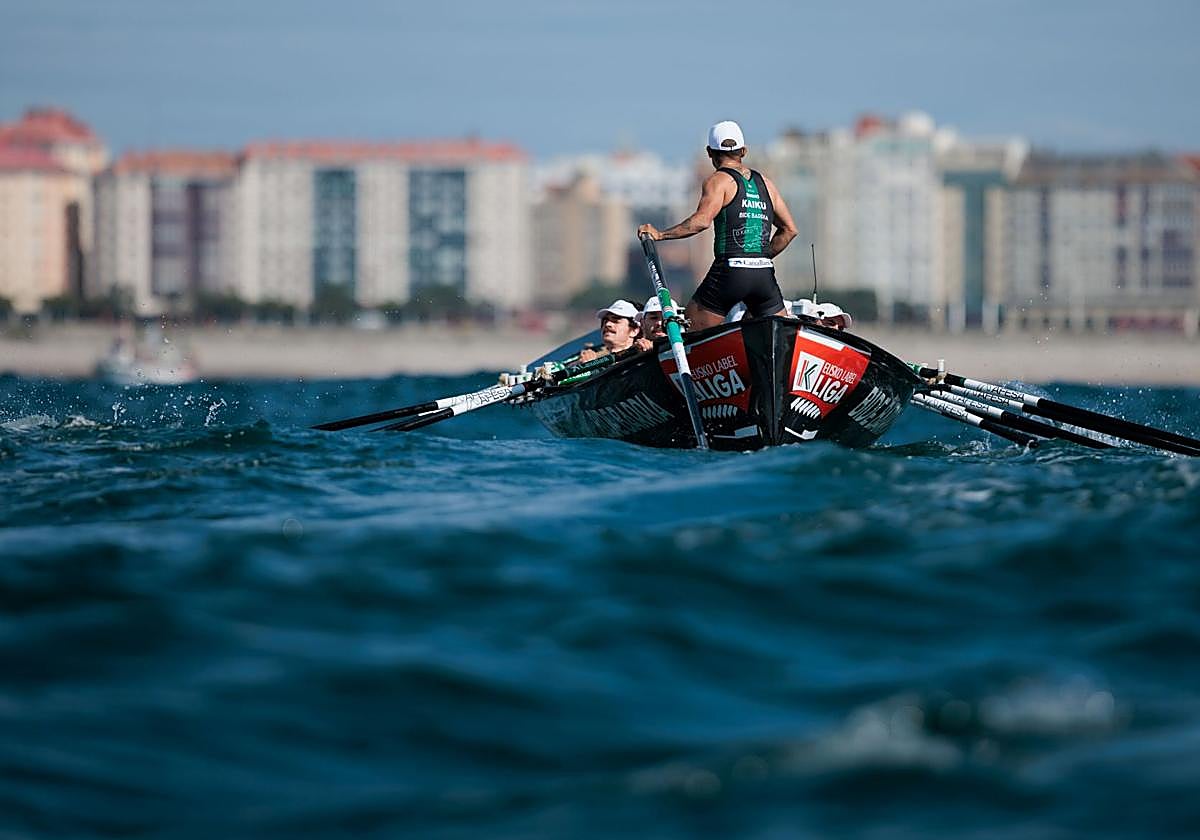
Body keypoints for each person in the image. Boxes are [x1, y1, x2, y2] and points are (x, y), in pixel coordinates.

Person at [637, 120, 799, 331]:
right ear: (744, 151)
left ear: (709, 152)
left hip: (730, 273)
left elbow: (701, 221)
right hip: (763, 275)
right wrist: (760, 257)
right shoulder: (767, 184)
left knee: (688, 331)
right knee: (780, 334)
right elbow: (790, 230)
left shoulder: (718, 180)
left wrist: (660, 235)